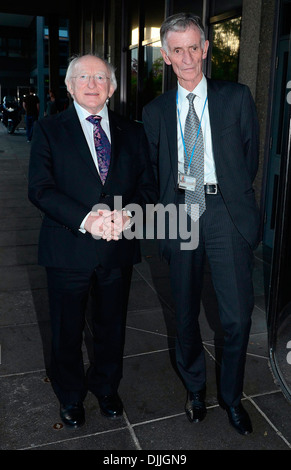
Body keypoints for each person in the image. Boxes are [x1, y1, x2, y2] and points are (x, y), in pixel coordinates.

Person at [142, 13, 260, 435]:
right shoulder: (154, 111)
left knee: (237, 318)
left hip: (225, 212)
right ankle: (195, 389)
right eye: (178, 49)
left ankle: (232, 397)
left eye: (195, 47)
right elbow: (153, 172)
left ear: (206, 49)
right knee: (186, 313)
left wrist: (223, 196)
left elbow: (250, 159)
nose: (188, 57)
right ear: (167, 56)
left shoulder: (236, 97)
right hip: (180, 213)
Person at [28, 53, 157, 428]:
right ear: (68, 87)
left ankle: (105, 386)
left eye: (100, 77)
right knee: (66, 329)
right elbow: (40, 189)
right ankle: (70, 395)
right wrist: (87, 220)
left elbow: (147, 188)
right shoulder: (50, 129)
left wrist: (128, 215)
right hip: (67, 247)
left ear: (112, 87)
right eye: (81, 77)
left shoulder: (133, 131)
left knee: (111, 326)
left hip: (117, 248)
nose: (91, 83)